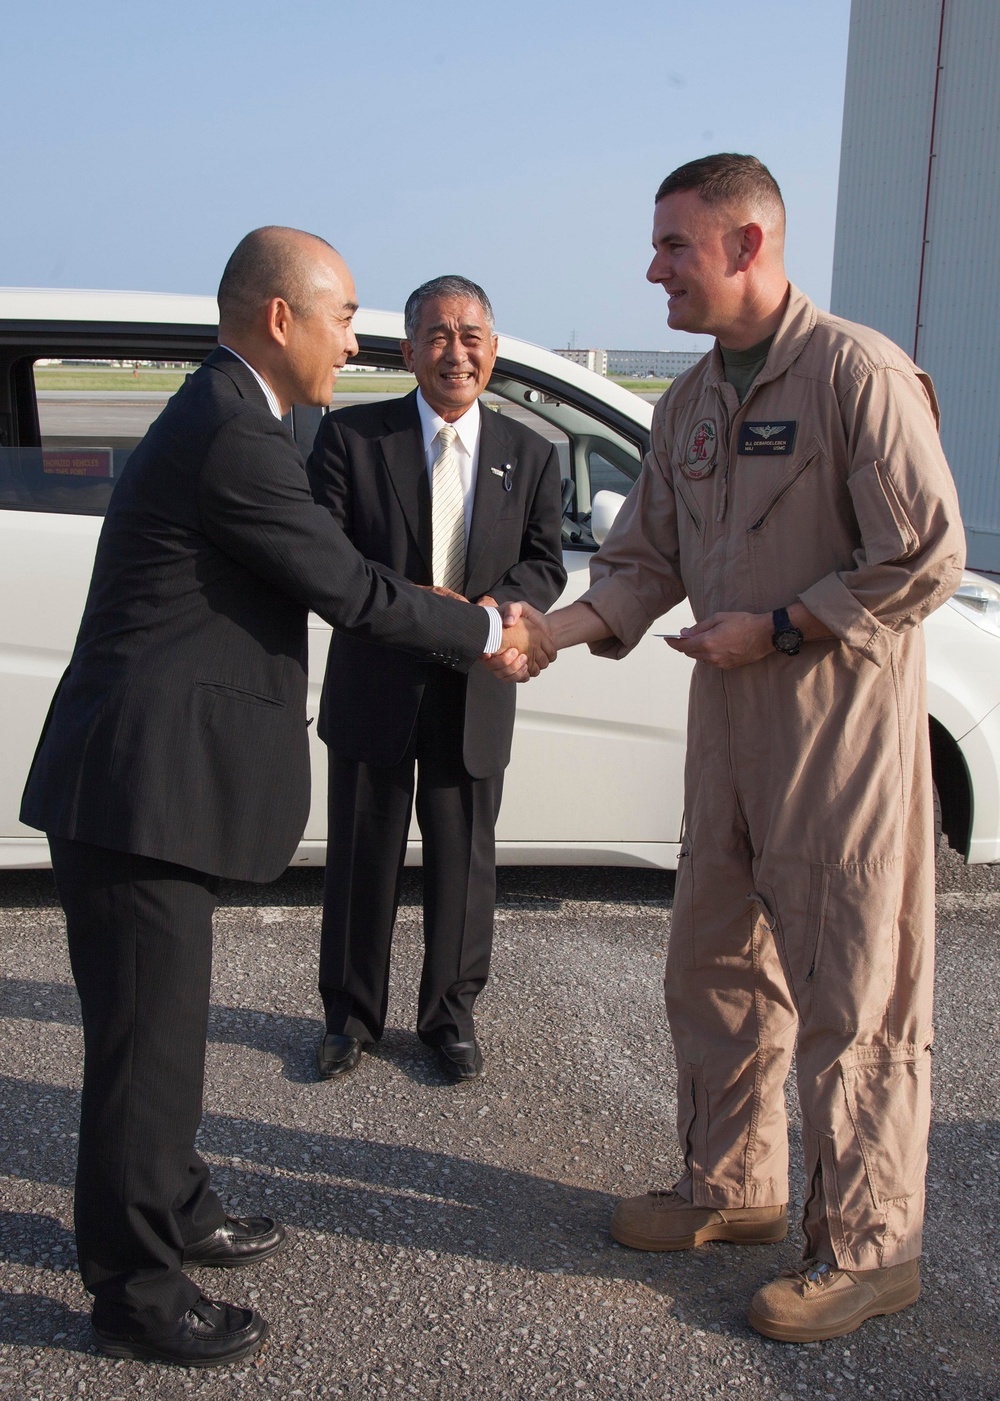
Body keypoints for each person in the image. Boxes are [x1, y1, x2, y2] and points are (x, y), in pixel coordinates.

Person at [19, 227, 554, 1368]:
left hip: (160, 784)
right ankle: (137, 1295)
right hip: (137, 789)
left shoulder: (244, 416)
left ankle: (182, 1200)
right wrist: (482, 628)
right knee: (141, 1059)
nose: (355, 340)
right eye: (342, 314)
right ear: (279, 319)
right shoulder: (231, 432)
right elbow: (350, 586)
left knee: (163, 1041)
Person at [523, 154, 965, 1342]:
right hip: (726, 736)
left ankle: (873, 1250)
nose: (652, 269)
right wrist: (550, 634)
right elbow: (643, 557)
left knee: (853, 998)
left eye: (674, 245)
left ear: (747, 246)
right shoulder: (686, 404)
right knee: (715, 967)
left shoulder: (854, 375)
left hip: (836, 737)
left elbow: (923, 553)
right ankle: (736, 1185)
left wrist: (775, 628)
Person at [307, 275, 566, 1084]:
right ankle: (351, 1018)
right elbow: (329, 557)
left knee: (464, 863)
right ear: (410, 349)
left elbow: (545, 562)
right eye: (440, 336)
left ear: (493, 347)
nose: (458, 352)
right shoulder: (351, 439)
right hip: (374, 686)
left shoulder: (532, 454)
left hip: (474, 692)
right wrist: (419, 608)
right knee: (361, 858)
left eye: (473, 335)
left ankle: (449, 1017)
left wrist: (500, 605)